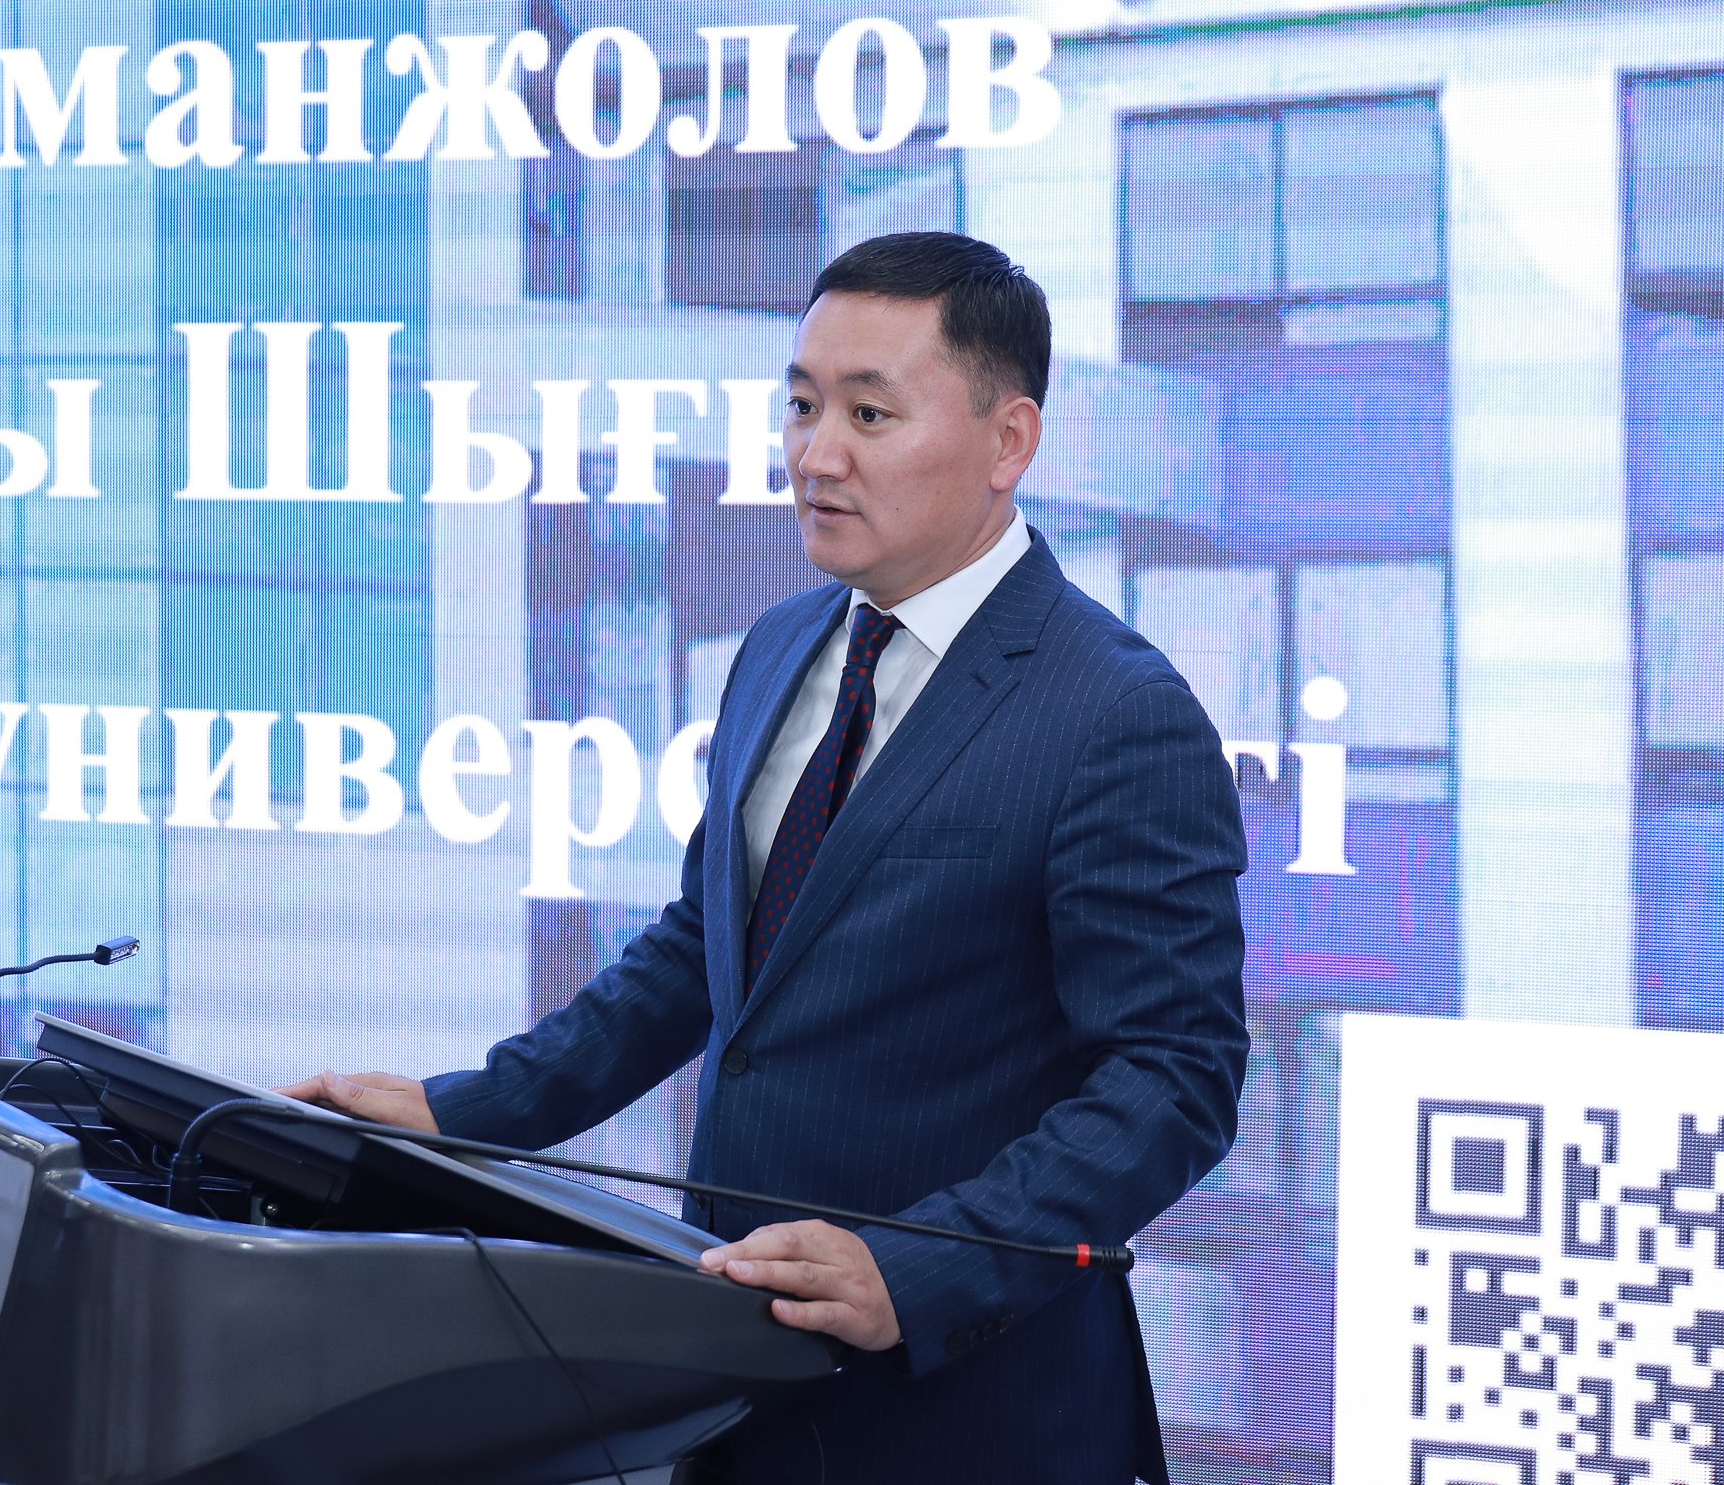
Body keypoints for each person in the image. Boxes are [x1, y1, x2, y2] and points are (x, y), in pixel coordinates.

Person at [281, 231, 1248, 1484]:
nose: (814, 454)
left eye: (868, 413)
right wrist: (460, 1113)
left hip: (969, 1419)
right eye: (801, 405)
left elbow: (1174, 1077)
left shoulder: (1116, 710)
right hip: (733, 1384)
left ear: (1008, 441)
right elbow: (705, 948)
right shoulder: (784, 644)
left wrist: (920, 1268)